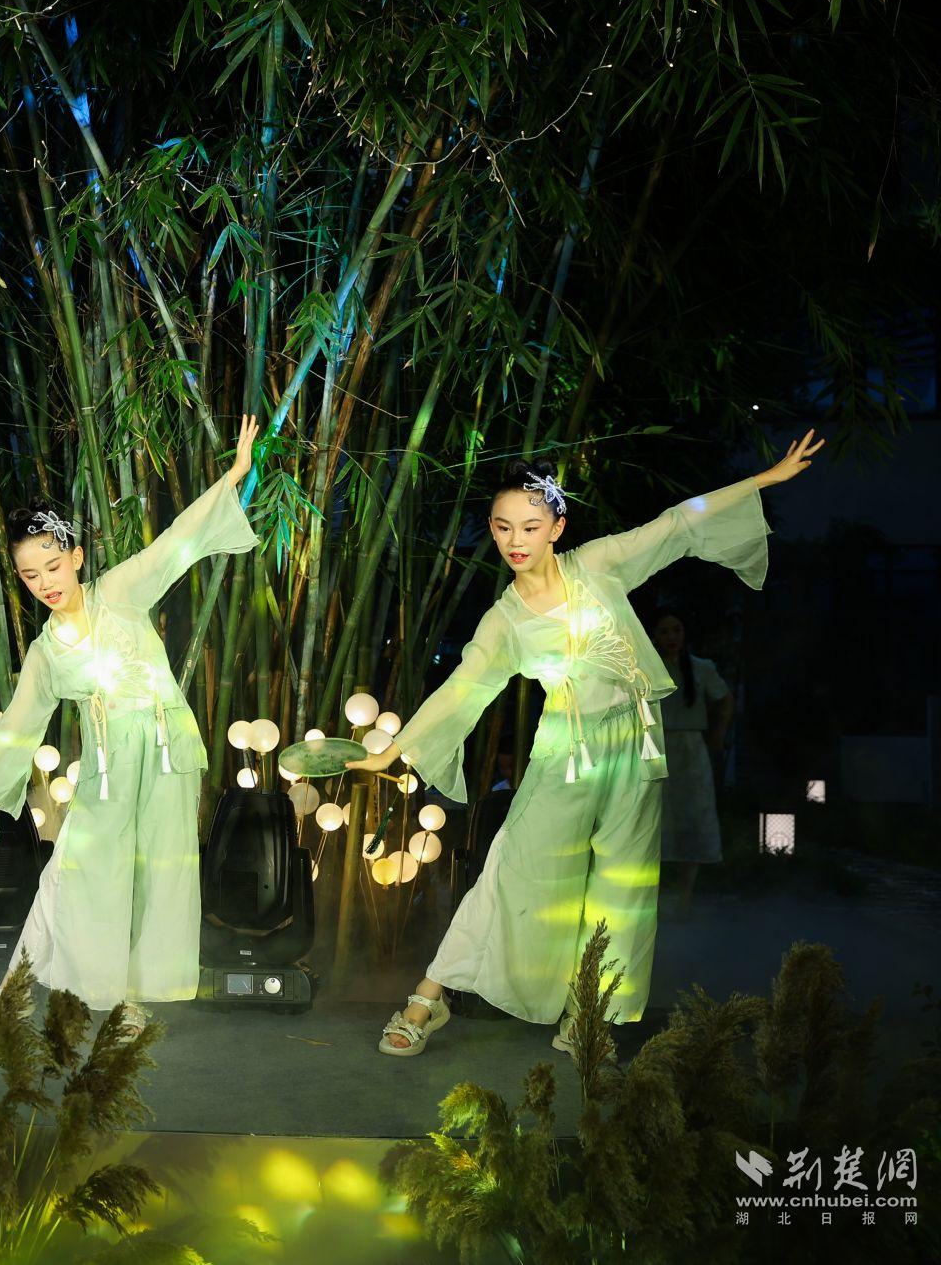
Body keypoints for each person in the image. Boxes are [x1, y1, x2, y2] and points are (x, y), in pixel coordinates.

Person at [344, 433, 824, 1056]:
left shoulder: (597, 564)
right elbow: (462, 689)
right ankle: (428, 998)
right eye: (502, 527)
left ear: (557, 528)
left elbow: (678, 523)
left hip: (636, 744)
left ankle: (590, 1014)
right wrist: (390, 752)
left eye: (530, 526)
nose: (515, 540)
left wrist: (765, 479)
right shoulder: (504, 620)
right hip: (566, 753)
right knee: (515, 869)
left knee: (623, 887)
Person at [0, 417, 263, 1009]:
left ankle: (134, 1003)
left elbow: (173, 546)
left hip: (164, 751)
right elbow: (18, 724)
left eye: (53, 566)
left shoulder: (118, 592)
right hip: (108, 770)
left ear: (77, 557)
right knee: (79, 868)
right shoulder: (45, 653)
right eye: (29, 575)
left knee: (158, 876)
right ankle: (24, 991)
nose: (44, 582)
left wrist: (233, 476)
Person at [651, 608, 735, 920]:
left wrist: (718, 735)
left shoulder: (701, 667)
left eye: (676, 630)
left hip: (691, 748)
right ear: (654, 636)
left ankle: (684, 897)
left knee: (695, 819)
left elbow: (724, 699)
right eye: (664, 631)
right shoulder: (645, 667)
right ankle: (654, 897)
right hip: (656, 748)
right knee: (656, 821)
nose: (671, 637)